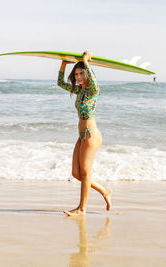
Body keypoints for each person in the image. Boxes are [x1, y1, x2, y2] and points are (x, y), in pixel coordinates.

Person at [57, 51, 112, 216]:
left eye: (81, 73)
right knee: (76, 173)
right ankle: (104, 191)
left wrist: (87, 62)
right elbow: (60, 82)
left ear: (87, 73)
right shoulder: (79, 91)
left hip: (91, 133)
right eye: (76, 74)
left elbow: (94, 81)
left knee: (85, 173)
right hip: (81, 135)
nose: (79, 76)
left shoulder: (93, 91)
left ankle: (82, 208)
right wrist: (64, 64)